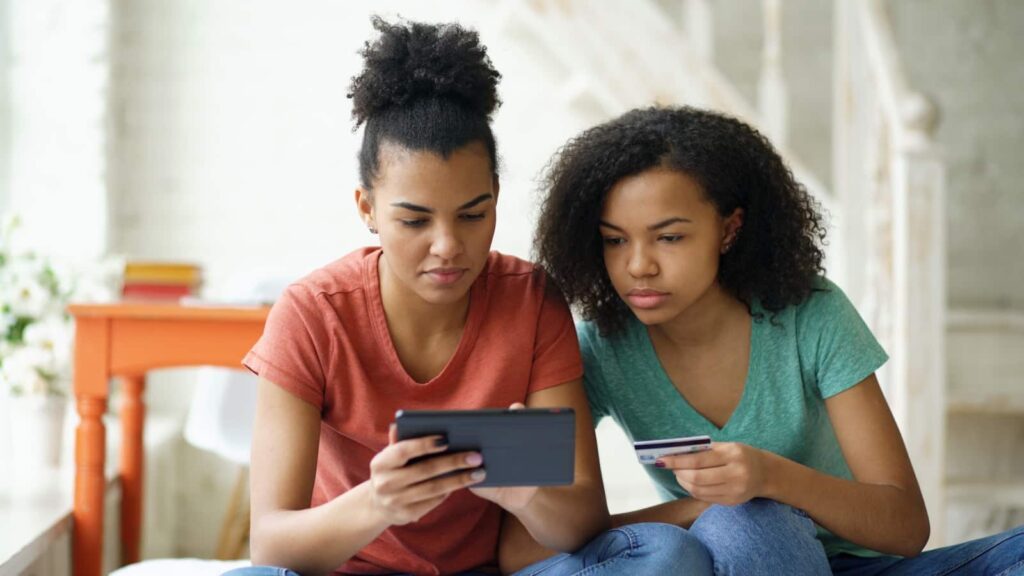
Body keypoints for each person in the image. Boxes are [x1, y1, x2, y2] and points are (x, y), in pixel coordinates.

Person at [227, 21, 710, 576]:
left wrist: (524, 493)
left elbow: (580, 524)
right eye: (414, 220)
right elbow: (271, 544)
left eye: (474, 215)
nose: (448, 247)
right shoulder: (313, 314)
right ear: (367, 209)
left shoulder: (529, 301)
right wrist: (377, 504)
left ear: (497, 199)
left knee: (666, 556)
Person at [531, 105, 1024, 575]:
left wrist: (770, 477)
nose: (639, 265)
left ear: (729, 229)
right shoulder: (599, 346)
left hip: (864, 567)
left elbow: (906, 526)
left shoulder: (810, 313)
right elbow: (531, 546)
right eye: (616, 240)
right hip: (736, 557)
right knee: (746, 520)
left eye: (670, 237)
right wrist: (702, 506)